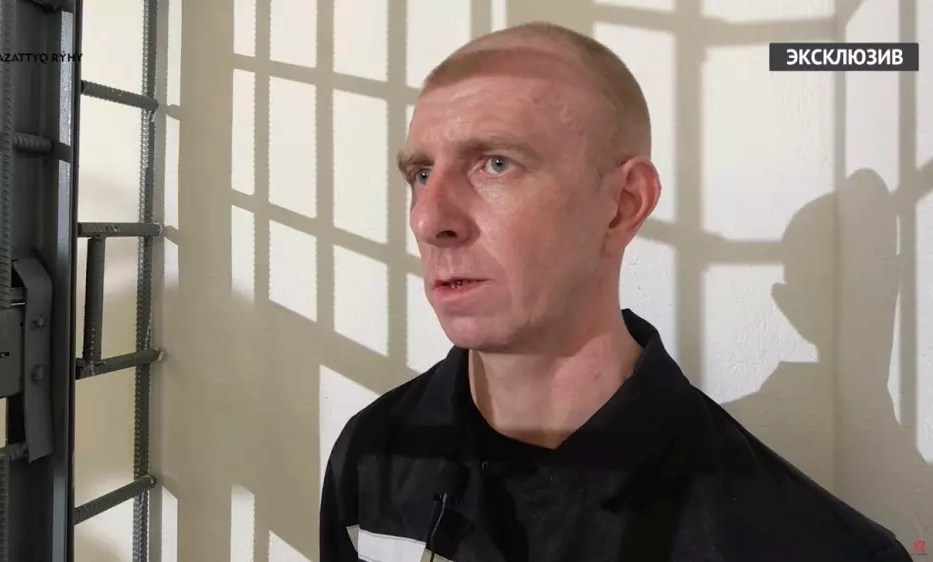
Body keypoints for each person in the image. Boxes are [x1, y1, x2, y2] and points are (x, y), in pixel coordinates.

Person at [319, 21, 912, 562]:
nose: (429, 219)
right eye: (421, 174)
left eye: (495, 163)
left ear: (623, 205)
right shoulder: (372, 455)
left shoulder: (806, 546)